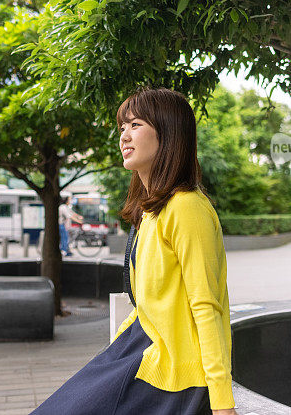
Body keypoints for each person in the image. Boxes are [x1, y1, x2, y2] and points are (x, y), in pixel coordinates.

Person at [31, 88, 237, 415]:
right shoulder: (151, 211)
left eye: (136, 125)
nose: (124, 136)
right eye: (121, 128)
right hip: (138, 348)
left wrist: (223, 403)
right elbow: (151, 304)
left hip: (170, 374)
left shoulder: (186, 208)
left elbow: (205, 306)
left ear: (168, 135)